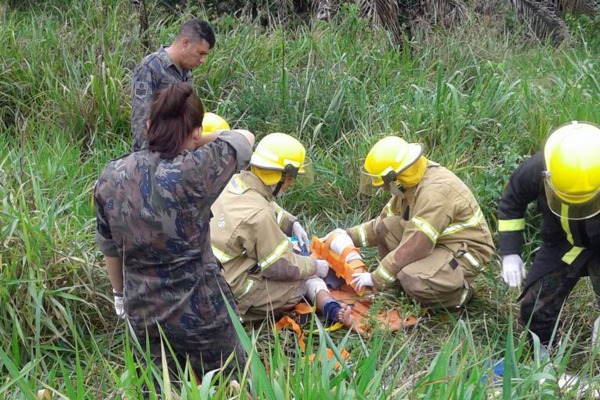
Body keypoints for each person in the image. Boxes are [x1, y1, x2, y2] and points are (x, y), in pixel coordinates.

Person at [94, 83, 254, 384]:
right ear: (194, 133)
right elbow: (244, 139)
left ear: (148, 125)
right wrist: (199, 138)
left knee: (160, 389)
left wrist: (119, 295)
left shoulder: (111, 175)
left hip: (144, 314)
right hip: (204, 315)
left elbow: (109, 247)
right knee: (232, 385)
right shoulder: (196, 169)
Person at [210, 133, 354, 327]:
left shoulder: (235, 182)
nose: (292, 183)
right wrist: (314, 267)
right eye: (291, 177)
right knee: (300, 284)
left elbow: (265, 204)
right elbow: (280, 266)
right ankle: (331, 309)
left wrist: (291, 223)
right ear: (279, 176)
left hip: (210, 272)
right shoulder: (259, 217)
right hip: (229, 290)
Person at [346, 136, 495, 309]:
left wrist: (376, 279)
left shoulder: (434, 193)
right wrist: (347, 236)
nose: (385, 189)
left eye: (385, 185)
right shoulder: (411, 182)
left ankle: (458, 297)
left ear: (396, 179)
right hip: (438, 241)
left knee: (412, 278)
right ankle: (399, 287)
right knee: (386, 229)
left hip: (464, 250)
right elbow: (384, 221)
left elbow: (417, 246)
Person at [497, 121, 600, 347]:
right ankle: (543, 356)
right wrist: (510, 252)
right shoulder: (540, 167)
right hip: (562, 242)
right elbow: (512, 200)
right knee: (533, 307)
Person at [131, 19, 215, 152]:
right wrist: (147, 159)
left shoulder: (186, 72)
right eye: (200, 53)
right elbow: (141, 118)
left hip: (178, 153)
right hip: (152, 156)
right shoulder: (150, 67)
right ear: (185, 42)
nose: (202, 60)